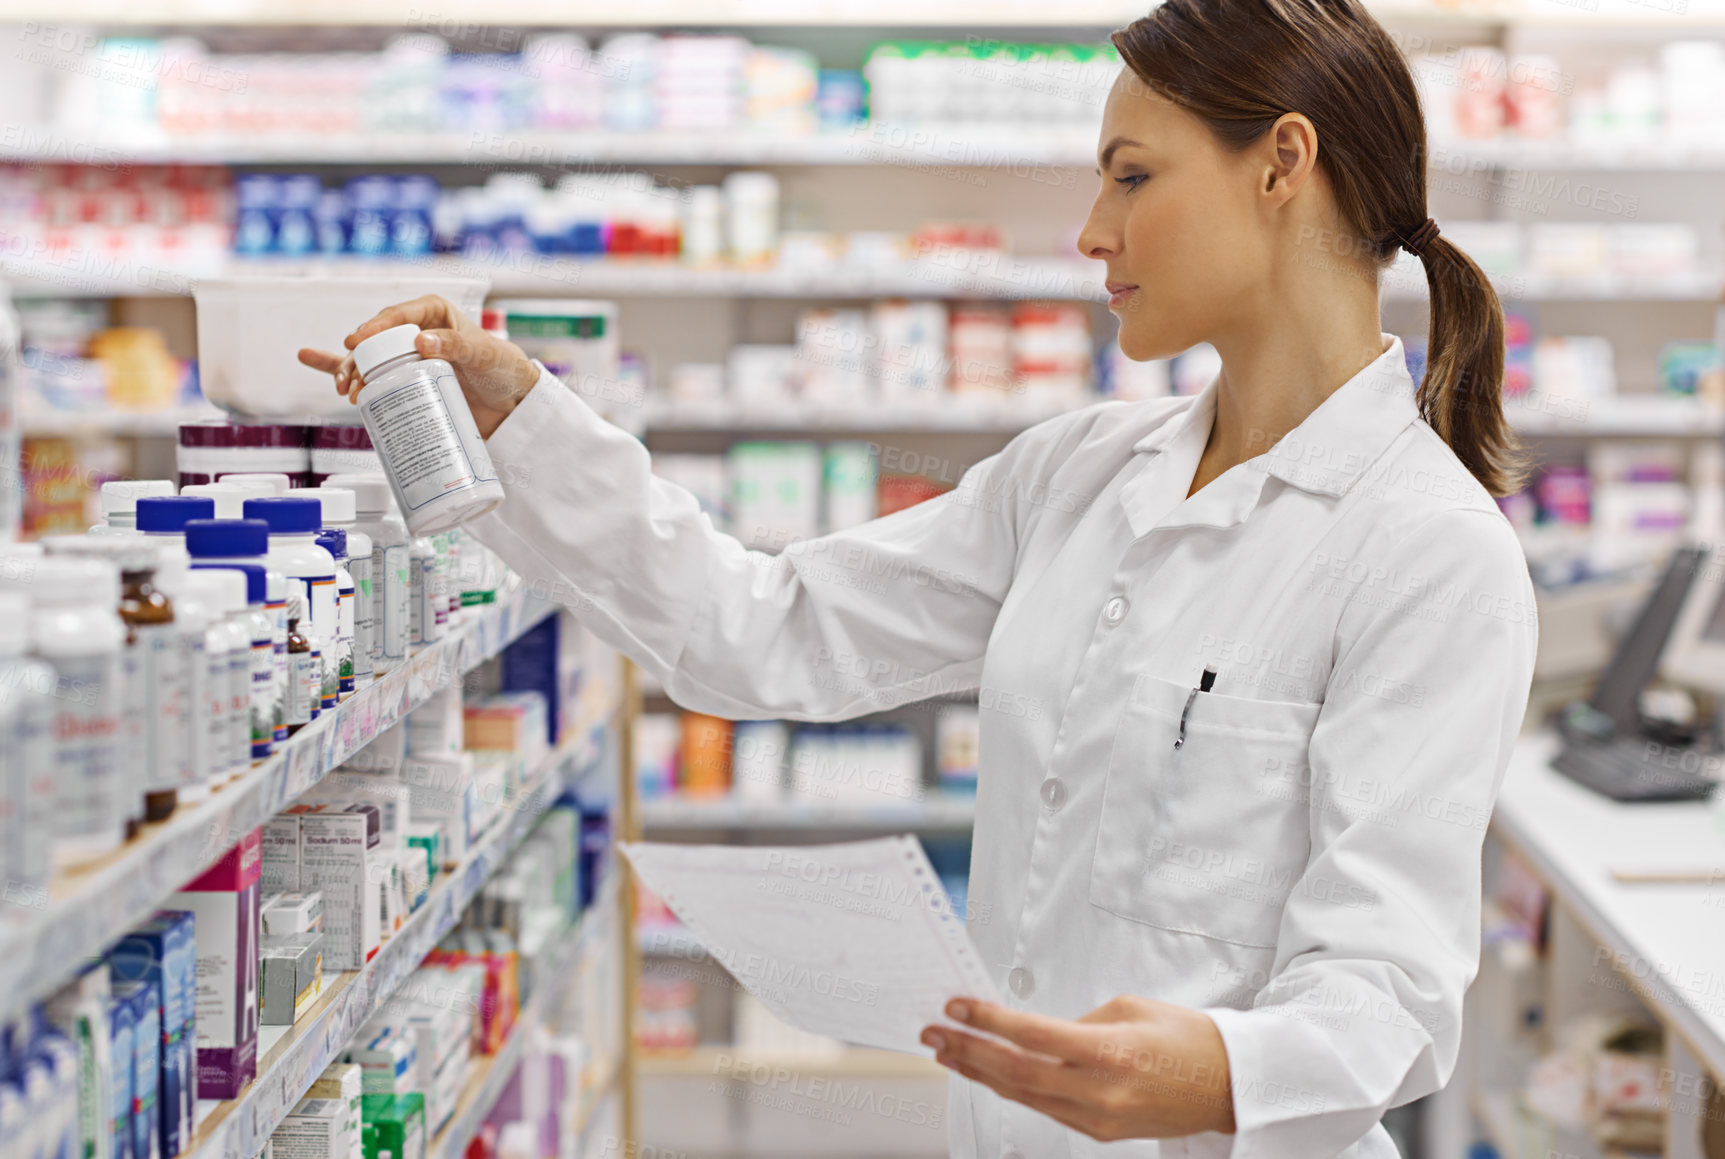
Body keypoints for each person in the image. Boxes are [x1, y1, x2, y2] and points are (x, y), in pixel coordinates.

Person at [301, 0, 1537, 1152]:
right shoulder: (1078, 475)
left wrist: (1210, 1068)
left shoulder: (1425, 548)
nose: (1091, 231)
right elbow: (756, 629)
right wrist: (520, 415)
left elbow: (1393, 990)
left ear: (1282, 163)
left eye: (1132, 175)